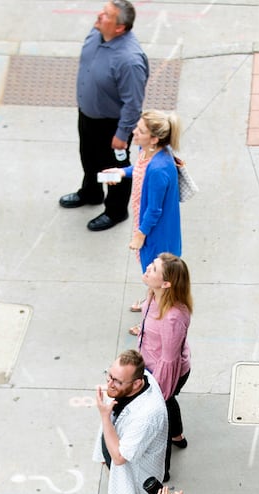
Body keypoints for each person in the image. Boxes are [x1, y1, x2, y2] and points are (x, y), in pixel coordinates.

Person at [58, 0, 147, 232]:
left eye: (106, 14)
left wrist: (122, 133)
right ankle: (91, 192)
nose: (99, 15)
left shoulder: (129, 61)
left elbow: (133, 102)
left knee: (112, 170)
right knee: (88, 157)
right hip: (88, 116)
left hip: (112, 125)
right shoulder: (97, 33)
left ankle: (116, 211)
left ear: (119, 28)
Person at [97, 349, 168, 494]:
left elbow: (120, 457)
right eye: (109, 376)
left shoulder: (146, 415)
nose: (110, 384)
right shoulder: (143, 379)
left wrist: (105, 417)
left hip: (136, 482)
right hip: (126, 472)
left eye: (117, 381)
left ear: (137, 383)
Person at [129, 253, 193, 468]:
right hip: (151, 366)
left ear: (167, 283)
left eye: (154, 269)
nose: (147, 268)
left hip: (164, 373)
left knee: (159, 418)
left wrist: (158, 393)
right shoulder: (154, 294)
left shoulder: (172, 318)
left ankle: (161, 470)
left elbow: (169, 360)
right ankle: (178, 435)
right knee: (168, 402)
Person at [106, 109, 183, 270]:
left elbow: (154, 210)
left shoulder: (158, 170)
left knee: (154, 275)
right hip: (148, 225)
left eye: (141, 131)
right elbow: (141, 168)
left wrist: (140, 236)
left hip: (157, 236)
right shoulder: (147, 151)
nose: (134, 132)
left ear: (154, 139)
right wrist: (122, 172)